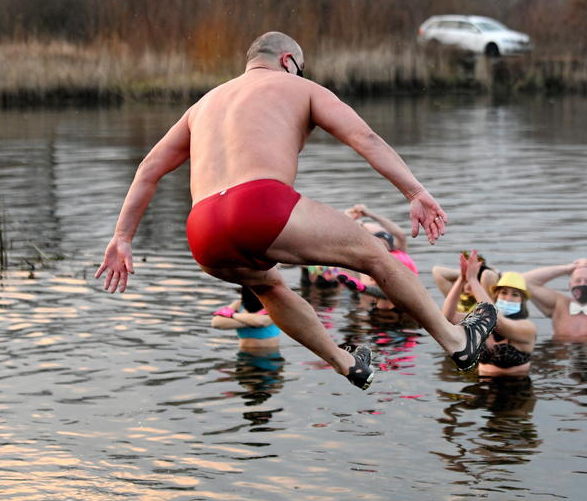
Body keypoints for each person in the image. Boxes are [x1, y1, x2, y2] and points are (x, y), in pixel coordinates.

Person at [95, 31, 497, 390]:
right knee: (376, 256)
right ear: (288, 61)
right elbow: (364, 137)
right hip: (258, 204)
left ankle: (347, 363)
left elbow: (149, 168)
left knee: (268, 286)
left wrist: (123, 237)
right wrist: (414, 190)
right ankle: (457, 341)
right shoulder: (297, 87)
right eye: (300, 69)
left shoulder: (203, 105)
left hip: (202, 230)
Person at [442, 250, 537, 377]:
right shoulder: (483, 319)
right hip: (481, 386)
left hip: (516, 390)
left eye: (515, 295)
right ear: (496, 296)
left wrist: (473, 280)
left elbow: (499, 323)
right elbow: (449, 316)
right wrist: (462, 279)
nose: (508, 298)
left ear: (522, 301)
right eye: (504, 293)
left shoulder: (528, 328)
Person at [210, 286, 282, 353]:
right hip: (244, 355)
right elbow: (215, 322)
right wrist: (251, 322)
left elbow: (261, 322)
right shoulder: (239, 304)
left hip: (269, 355)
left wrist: (232, 315)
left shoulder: (274, 306)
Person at [432, 251, 500, 314]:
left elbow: (488, 275)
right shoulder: (456, 301)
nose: (467, 286)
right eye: (466, 281)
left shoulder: (487, 302)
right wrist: (464, 274)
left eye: (474, 282)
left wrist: (477, 275)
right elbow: (437, 271)